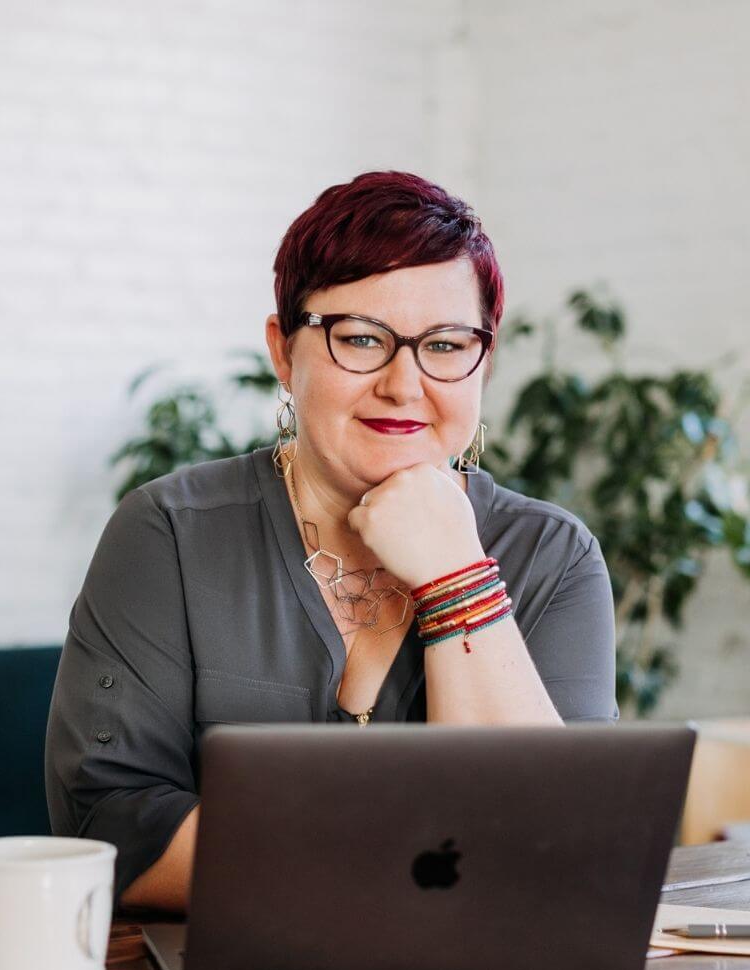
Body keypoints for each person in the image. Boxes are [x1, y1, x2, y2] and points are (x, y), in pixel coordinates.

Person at [45, 170, 618, 914]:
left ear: (485, 361)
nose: (405, 384)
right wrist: (408, 858)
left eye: (445, 345)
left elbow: (561, 855)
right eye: (361, 340)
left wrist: (457, 577)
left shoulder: (555, 556)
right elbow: (110, 828)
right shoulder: (170, 533)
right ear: (284, 352)